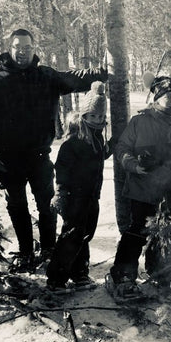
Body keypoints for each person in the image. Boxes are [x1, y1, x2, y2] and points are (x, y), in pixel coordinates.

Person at [0, 28, 108, 273]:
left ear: (34, 49)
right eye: (17, 47)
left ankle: (47, 247)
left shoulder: (45, 76)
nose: (22, 52)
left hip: (39, 155)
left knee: (47, 204)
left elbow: (73, 78)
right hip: (7, 159)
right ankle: (26, 250)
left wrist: (98, 74)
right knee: (17, 206)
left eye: (27, 47)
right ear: (9, 49)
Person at [107, 74, 171, 297]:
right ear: (157, 98)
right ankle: (122, 277)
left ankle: (160, 274)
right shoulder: (139, 122)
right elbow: (121, 148)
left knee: (164, 234)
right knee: (136, 233)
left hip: (167, 193)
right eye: (168, 97)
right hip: (141, 190)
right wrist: (133, 165)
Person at [46, 82, 112, 291]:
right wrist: (61, 192)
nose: (97, 120)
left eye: (100, 117)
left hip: (92, 195)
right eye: (93, 116)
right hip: (74, 197)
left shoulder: (97, 137)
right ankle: (56, 279)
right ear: (84, 115)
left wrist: (112, 146)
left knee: (86, 234)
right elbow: (62, 169)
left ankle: (79, 273)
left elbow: (98, 157)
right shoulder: (72, 142)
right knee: (72, 236)